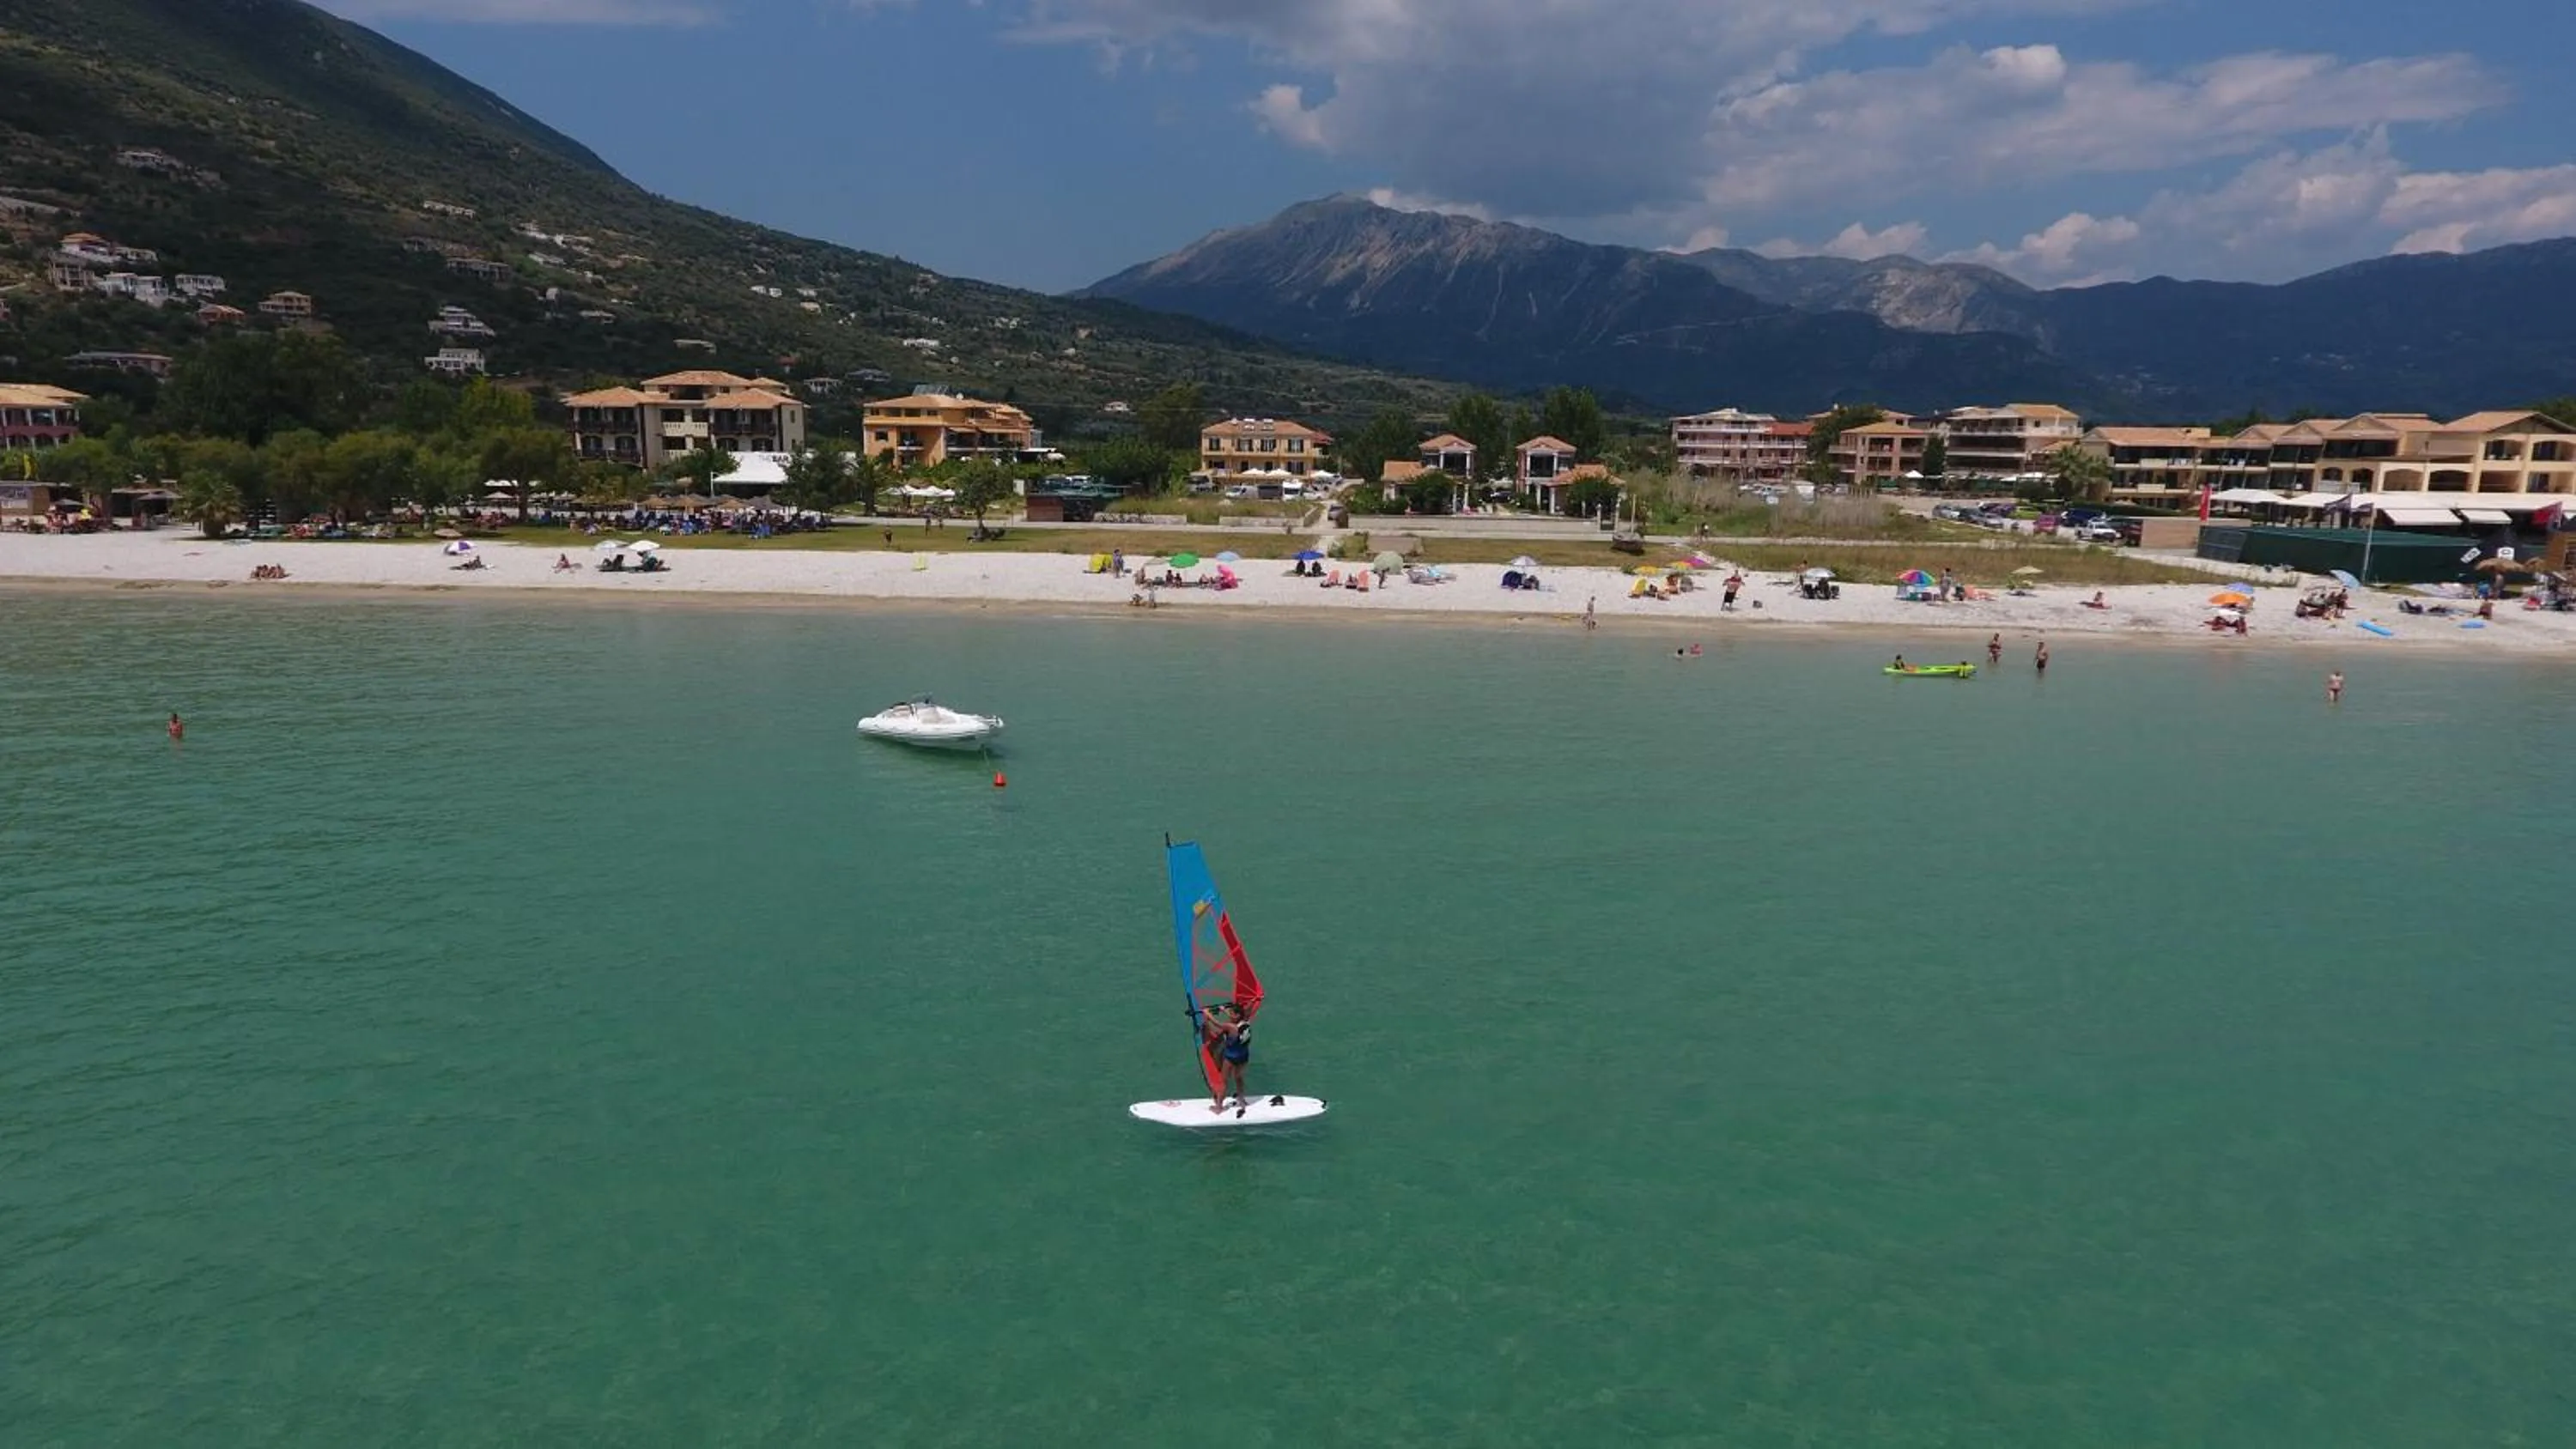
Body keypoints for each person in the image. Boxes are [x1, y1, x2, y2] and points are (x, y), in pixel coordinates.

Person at [1203, 1002, 1252, 1112]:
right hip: (1244, 1057)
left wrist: (1207, 1014)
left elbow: (1217, 1024)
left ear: (1237, 1015)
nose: (1229, 1015)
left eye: (1231, 1014)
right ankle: (1241, 1100)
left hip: (1231, 1057)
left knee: (1223, 1082)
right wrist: (1223, 1010)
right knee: (1238, 1078)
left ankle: (1219, 1107)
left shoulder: (1230, 1027)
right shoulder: (1246, 1023)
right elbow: (1234, 1017)